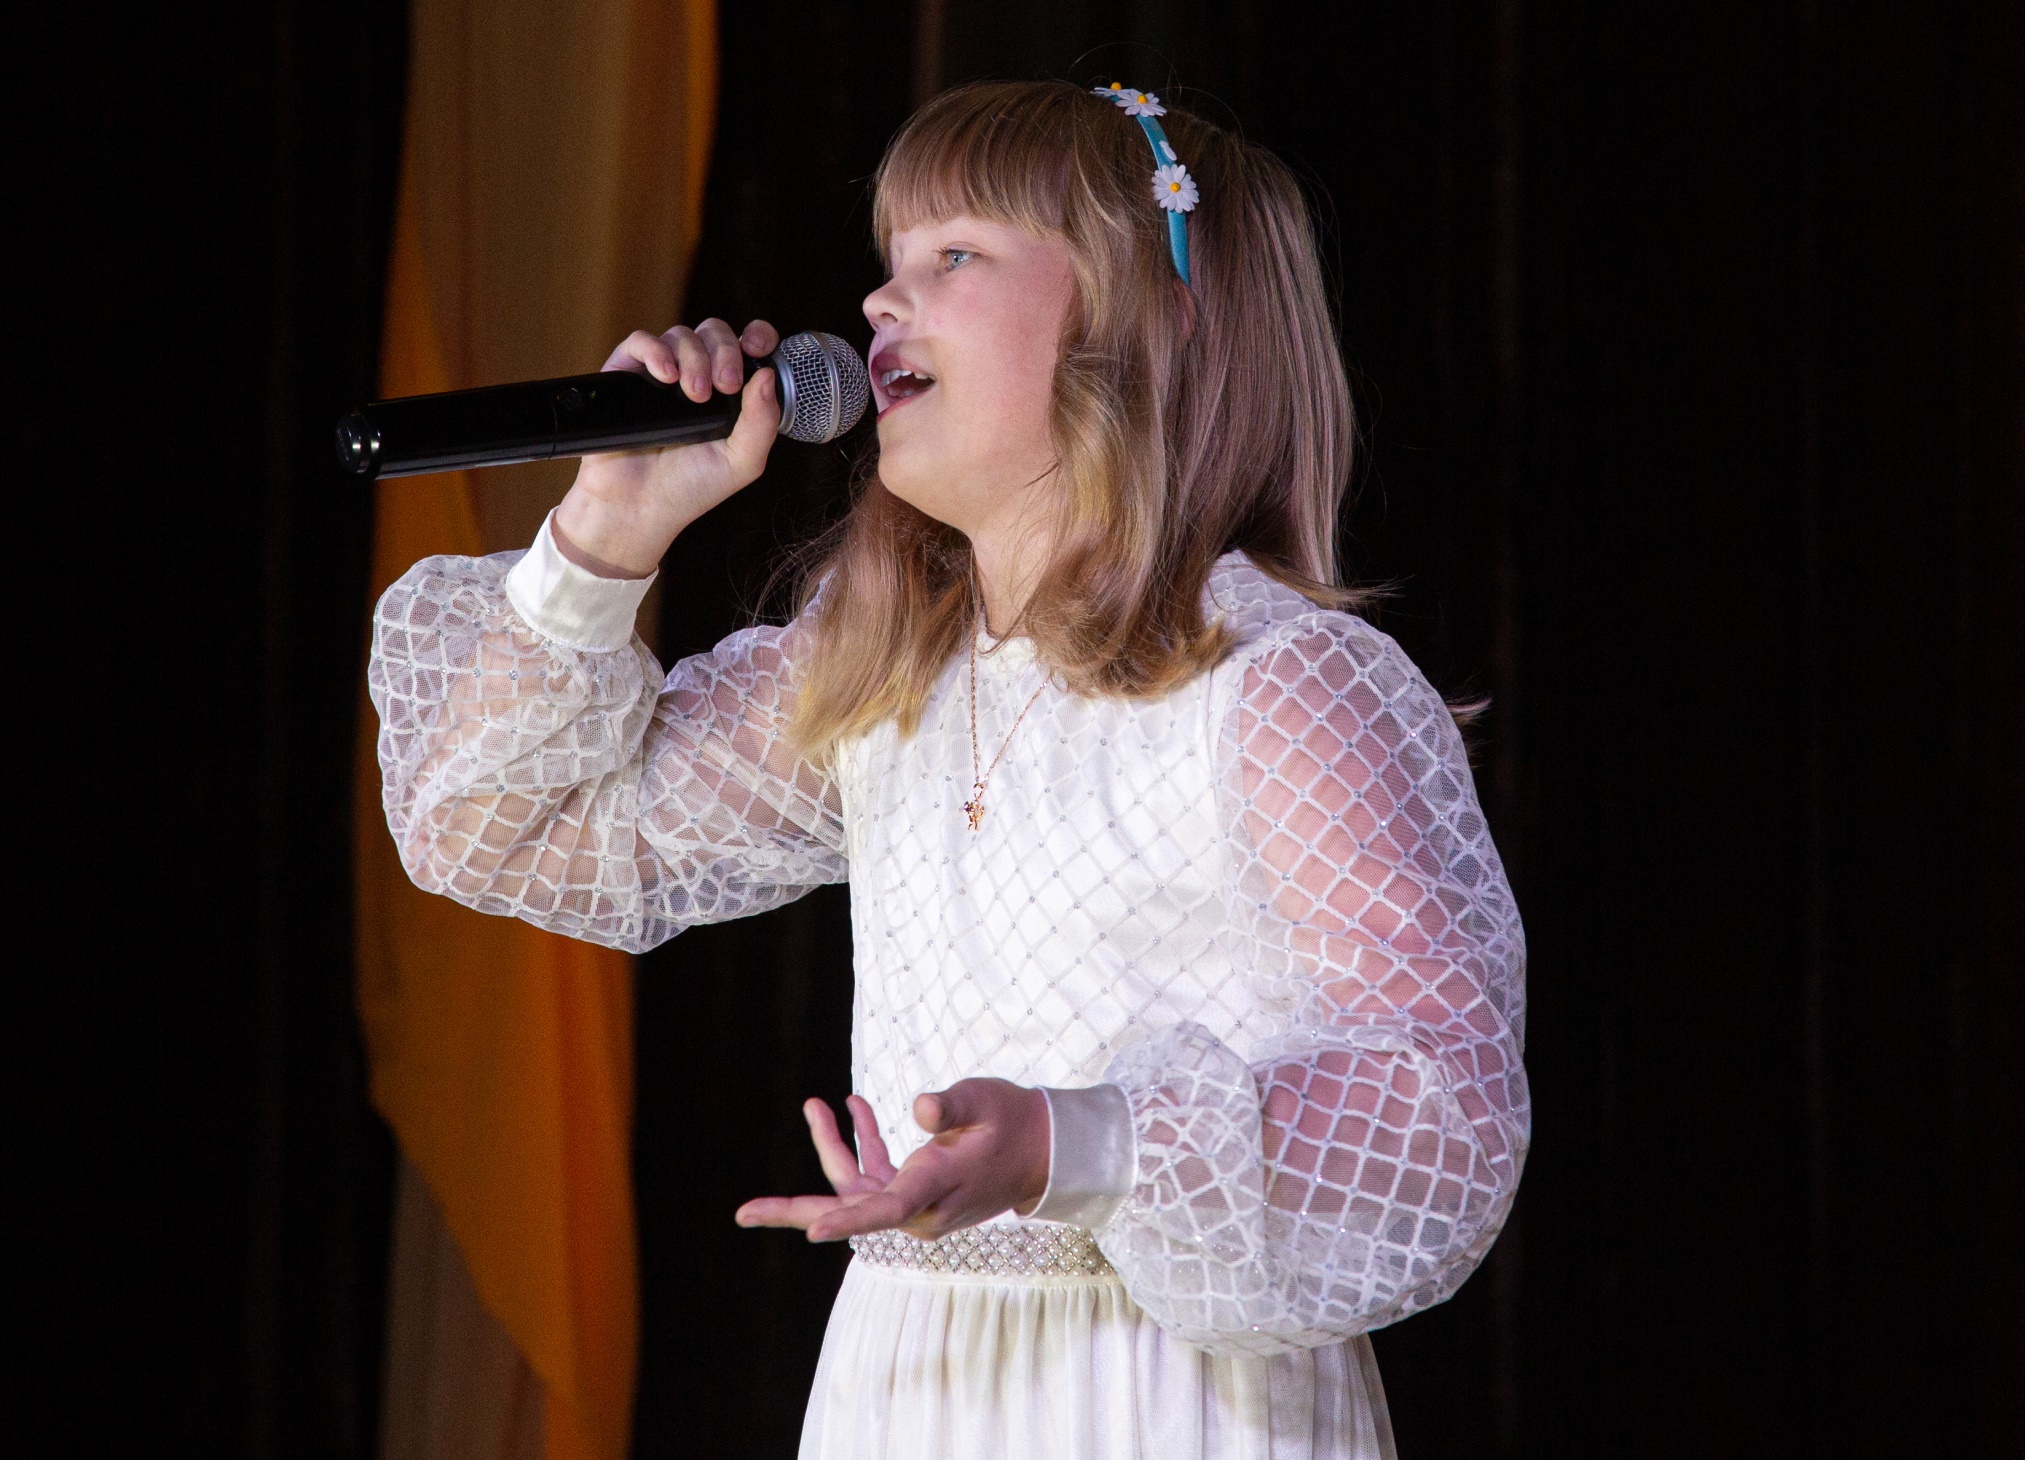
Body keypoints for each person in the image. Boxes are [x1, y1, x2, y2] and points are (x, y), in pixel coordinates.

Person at [370, 78, 1528, 1460]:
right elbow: (497, 831)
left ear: (1146, 319)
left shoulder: (1279, 682)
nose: (877, 302)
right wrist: (607, 535)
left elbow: (1443, 1112)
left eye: (954, 255)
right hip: (904, 1396)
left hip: (1165, 1404)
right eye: (889, 261)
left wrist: (1067, 1147)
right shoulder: (882, 676)